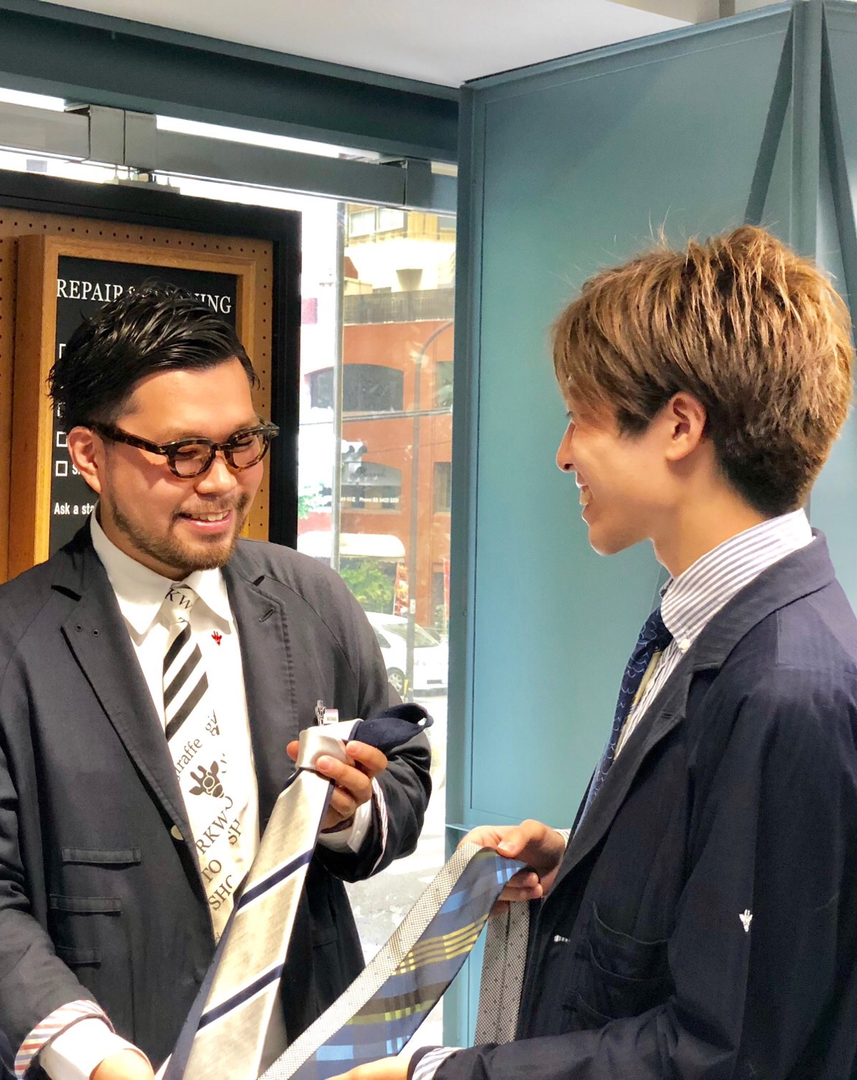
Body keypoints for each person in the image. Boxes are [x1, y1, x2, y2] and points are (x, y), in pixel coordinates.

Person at [337, 225, 857, 1080]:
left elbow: (728, 1053)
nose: (563, 454)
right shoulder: (708, 630)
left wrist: (438, 1073)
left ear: (679, 425)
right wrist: (585, 861)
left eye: (580, 419)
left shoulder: (786, 686)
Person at [0, 283, 432, 1080]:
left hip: (312, 1045)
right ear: (90, 456)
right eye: (184, 453)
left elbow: (406, 773)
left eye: (243, 444)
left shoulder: (313, 601)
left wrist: (350, 815)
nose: (221, 482)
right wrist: (94, 1058)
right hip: (114, 1052)